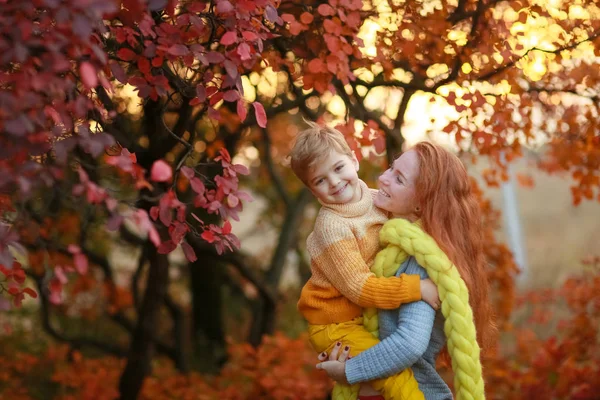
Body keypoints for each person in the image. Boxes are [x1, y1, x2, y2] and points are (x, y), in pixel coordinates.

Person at [316, 142, 496, 400]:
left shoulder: (420, 260)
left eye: (398, 179)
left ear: (421, 205)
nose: (382, 178)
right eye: (391, 168)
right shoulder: (394, 244)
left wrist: (350, 371)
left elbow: (410, 344)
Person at [289, 122, 440, 400]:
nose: (334, 182)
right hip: (337, 324)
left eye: (337, 168)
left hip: (365, 315)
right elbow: (361, 288)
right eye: (320, 180)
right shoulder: (332, 227)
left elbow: (406, 226)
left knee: (384, 377)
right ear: (312, 191)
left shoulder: (375, 200)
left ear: (354, 161)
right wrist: (418, 289)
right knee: (396, 375)